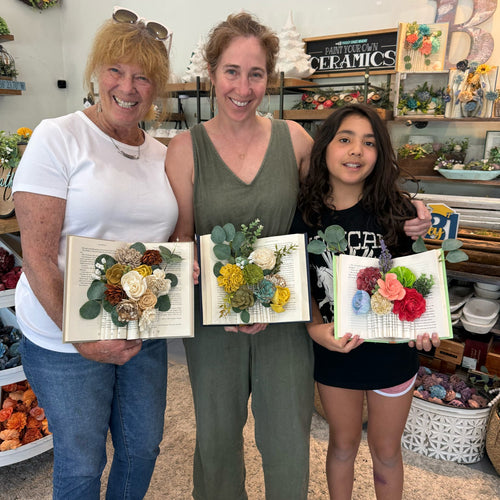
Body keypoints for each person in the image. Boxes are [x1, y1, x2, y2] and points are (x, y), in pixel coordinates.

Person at [166, 12, 432, 500]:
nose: (243, 87)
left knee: (286, 440)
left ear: (270, 77)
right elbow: (183, 234)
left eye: (255, 73)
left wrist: (413, 210)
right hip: (214, 322)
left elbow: (348, 187)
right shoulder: (185, 148)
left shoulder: (294, 140)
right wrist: (190, 262)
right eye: (231, 71)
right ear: (211, 71)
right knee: (218, 439)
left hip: (289, 320)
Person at [13, 9, 176, 499]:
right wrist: (80, 334)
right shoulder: (58, 137)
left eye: (143, 76)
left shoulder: (162, 154)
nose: (128, 87)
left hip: (142, 328)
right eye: (116, 71)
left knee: (142, 448)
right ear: (96, 73)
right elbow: (38, 257)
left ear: (157, 88)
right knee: (83, 463)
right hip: (64, 340)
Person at [292, 103, 440, 500]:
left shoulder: (400, 212)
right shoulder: (305, 215)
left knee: (387, 452)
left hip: (393, 357)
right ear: (325, 147)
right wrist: (313, 328)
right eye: (345, 139)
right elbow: (302, 283)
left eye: (369, 143)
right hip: (335, 352)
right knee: (342, 446)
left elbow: (422, 283)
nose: (356, 151)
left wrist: (428, 328)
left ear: (380, 155)